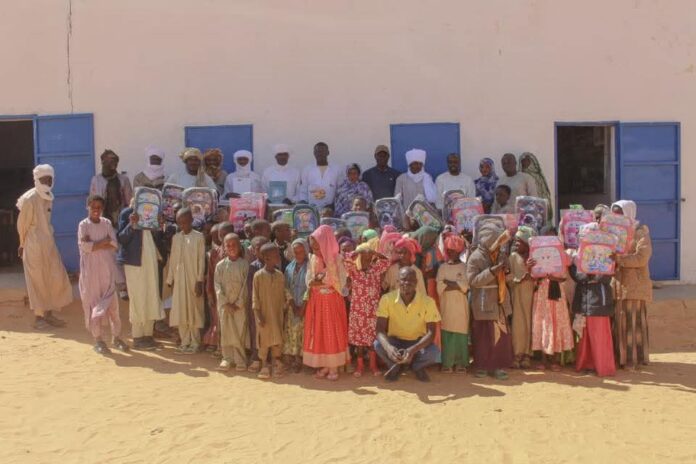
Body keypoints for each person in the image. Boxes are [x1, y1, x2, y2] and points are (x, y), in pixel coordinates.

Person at [16, 164, 73, 329]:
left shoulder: (48, 196)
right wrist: (22, 243)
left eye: (49, 179)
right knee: (37, 280)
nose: (47, 182)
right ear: (36, 179)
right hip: (33, 244)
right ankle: (39, 318)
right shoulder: (30, 199)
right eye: (43, 179)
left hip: (48, 243)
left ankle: (49, 314)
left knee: (55, 276)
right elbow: (22, 224)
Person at [78, 195, 129, 354]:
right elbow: (85, 246)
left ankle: (117, 337)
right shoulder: (83, 225)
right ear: (88, 207)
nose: (96, 210)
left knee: (113, 307)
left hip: (107, 271)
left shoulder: (106, 223)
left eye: (99, 207)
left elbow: (113, 244)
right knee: (93, 305)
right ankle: (98, 340)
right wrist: (102, 242)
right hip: (91, 273)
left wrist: (95, 244)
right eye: (93, 207)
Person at [375, 267, 441, 382]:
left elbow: (431, 333)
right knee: (378, 345)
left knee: (434, 352)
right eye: (403, 279)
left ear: (416, 282)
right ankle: (395, 366)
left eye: (411, 280)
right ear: (398, 281)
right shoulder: (386, 299)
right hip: (395, 341)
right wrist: (389, 348)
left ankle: (416, 367)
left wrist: (413, 350)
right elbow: (379, 330)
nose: (407, 283)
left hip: (417, 342)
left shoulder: (428, 302)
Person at [466, 221, 514, 380]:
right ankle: (481, 367)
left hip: (500, 303)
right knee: (483, 338)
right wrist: (493, 271)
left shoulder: (500, 255)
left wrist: (506, 270)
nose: (499, 244)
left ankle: (496, 367)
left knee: (500, 338)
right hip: (483, 304)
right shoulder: (475, 258)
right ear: (488, 240)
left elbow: (509, 277)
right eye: (497, 241)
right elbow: (473, 281)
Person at [117, 203, 167, 350]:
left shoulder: (152, 212)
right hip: (135, 262)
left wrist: (160, 225)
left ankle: (148, 335)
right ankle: (138, 337)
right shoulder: (127, 213)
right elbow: (121, 238)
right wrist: (132, 224)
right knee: (138, 298)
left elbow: (158, 237)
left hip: (150, 259)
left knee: (152, 295)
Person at [303, 225, 349, 381]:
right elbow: (309, 280)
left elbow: (341, 281)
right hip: (317, 302)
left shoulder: (337, 259)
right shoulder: (313, 259)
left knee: (332, 332)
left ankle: (333, 366)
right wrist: (315, 282)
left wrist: (322, 281)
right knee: (319, 332)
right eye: (313, 248)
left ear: (326, 243)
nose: (315, 250)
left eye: (318, 247)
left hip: (332, 302)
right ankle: (326, 365)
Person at [611, 200, 652, 370]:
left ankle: (632, 359)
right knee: (619, 321)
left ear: (628, 213)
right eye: (614, 214)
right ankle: (620, 358)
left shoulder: (640, 233)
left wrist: (620, 259)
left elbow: (641, 258)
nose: (616, 217)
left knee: (632, 322)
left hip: (634, 285)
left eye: (619, 213)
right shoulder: (612, 233)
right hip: (618, 284)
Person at [343, 241, 390, 378]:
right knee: (359, 342)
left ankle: (373, 365)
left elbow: (387, 261)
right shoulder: (354, 270)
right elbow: (346, 260)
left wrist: (375, 252)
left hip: (372, 311)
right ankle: (360, 366)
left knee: (371, 339)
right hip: (357, 311)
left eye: (369, 255)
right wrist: (358, 251)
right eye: (364, 255)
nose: (367, 258)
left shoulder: (375, 269)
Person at [530, 227, 574, 371]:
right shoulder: (535, 253)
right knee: (543, 322)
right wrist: (531, 267)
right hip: (542, 292)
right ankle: (543, 359)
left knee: (556, 322)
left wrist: (553, 277)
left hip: (556, 292)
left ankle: (554, 359)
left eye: (552, 237)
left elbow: (565, 275)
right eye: (546, 237)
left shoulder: (562, 254)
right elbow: (533, 275)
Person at [570, 249, 616, 377]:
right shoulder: (576, 254)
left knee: (599, 336)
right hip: (582, 300)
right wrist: (588, 274)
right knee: (584, 336)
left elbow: (606, 277)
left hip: (599, 301)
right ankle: (586, 364)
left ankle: (603, 367)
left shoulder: (608, 254)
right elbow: (575, 274)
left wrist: (591, 274)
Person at [167, 208, 206, 354]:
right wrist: (170, 279)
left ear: (191, 220)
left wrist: (199, 281)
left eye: (185, 222)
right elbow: (173, 260)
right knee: (180, 311)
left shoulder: (198, 237)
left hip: (193, 280)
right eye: (180, 223)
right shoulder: (176, 238)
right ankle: (184, 341)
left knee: (194, 310)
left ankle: (195, 342)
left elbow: (201, 260)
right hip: (179, 280)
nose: (182, 225)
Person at [215, 233, 250, 371]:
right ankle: (227, 358)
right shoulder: (220, 266)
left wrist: (238, 303)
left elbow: (246, 286)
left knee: (239, 331)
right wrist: (225, 303)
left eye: (234, 245)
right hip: (225, 306)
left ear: (239, 246)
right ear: (224, 247)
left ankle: (240, 359)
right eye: (228, 245)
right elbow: (217, 286)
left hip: (239, 307)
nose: (231, 248)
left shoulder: (244, 265)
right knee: (226, 331)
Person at [252, 243, 288, 379]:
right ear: (266, 258)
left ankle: (276, 363)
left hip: (277, 313)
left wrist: (287, 304)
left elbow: (284, 292)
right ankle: (264, 365)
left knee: (277, 337)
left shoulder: (280, 275)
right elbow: (255, 297)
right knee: (264, 340)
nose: (278, 257)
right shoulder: (258, 276)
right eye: (276, 255)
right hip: (264, 314)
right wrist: (258, 315)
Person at [436, 234, 470, 373]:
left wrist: (448, 283)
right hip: (447, 307)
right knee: (447, 334)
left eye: (453, 250)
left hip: (461, 307)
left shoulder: (464, 267)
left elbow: (465, 287)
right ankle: (448, 363)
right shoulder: (442, 268)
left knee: (461, 335)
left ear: (459, 251)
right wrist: (456, 284)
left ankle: (461, 363)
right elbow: (439, 286)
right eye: (448, 250)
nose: (450, 253)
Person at [507, 226, 536, 369]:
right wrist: (519, 279)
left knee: (530, 322)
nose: (516, 244)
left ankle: (527, 354)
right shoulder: (512, 257)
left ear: (527, 243)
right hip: (518, 294)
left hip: (533, 295)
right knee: (518, 324)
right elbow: (507, 277)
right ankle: (517, 354)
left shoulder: (534, 257)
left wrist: (531, 272)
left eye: (519, 241)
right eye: (515, 241)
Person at [204, 222, 236, 351]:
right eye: (221, 235)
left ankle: (233, 348)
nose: (223, 238)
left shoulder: (239, 253)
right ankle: (220, 347)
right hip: (218, 294)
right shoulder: (214, 253)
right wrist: (210, 293)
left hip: (234, 294)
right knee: (218, 319)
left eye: (226, 234)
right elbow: (210, 275)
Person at [284, 238, 309, 372]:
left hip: (306, 306)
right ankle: (294, 358)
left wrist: (303, 306)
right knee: (292, 332)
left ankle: (303, 360)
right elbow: (286, 287)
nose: (298, 255)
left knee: (304, 333)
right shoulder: (289, 267)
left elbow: (310, 288)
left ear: (306, 251)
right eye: (296, 252)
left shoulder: (311, 267)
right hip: (292, 306)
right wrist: (293, 304)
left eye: (301, 252)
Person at [90, 149, 134, 227]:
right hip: (102, 222)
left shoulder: (123, 179)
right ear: (103, 162)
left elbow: (130, 203)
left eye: (115, 162)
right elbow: (92, 203)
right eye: (109, 161)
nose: (113, 164)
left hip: (120, 222)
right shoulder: (96, 180)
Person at [246, 236, 269, 372]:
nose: (261, 251)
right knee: (256, 331)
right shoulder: (253, 267)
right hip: (256, 305)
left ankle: (269, 358)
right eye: (258, 248)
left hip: (270, 305)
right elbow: (251, 289)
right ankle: (256, 357)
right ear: (254, 251)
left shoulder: (274, 265)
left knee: (269, 330)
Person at [298, 142, 344, 209]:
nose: (320, 154)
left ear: (328, 152)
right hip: (311, 209)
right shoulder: (307, 169)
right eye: (317, 152)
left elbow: (340, 191)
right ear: (314, 153)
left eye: (322, 151)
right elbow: (303, 190)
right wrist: (304, 203)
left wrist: (333, 205)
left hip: (331, 210)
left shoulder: (337, 169)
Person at [520, 152, 553, 221]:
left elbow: (544, 192)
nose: (524, 163)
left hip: (539, 204)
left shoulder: (538, 176)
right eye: (522, 161)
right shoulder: (519, 176)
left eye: (527, 160)